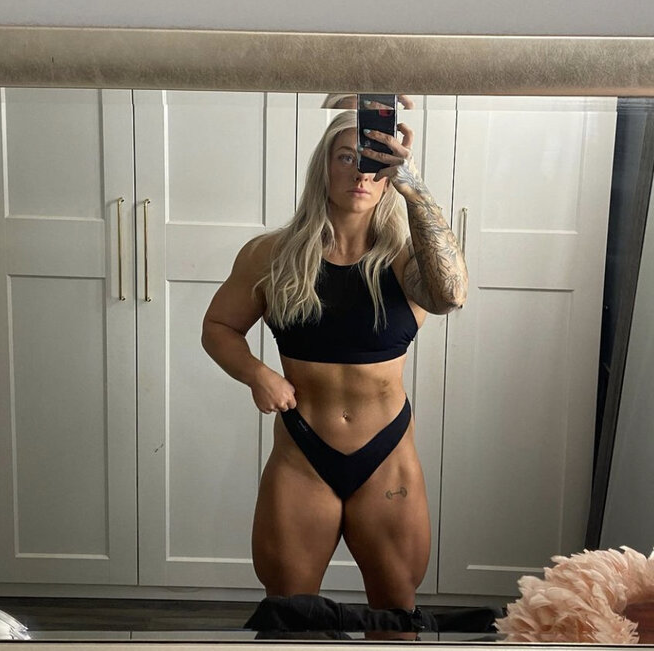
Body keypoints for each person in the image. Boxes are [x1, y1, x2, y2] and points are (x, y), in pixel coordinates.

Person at [201, 108, 468, 613]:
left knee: (395, 617)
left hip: (387, 457)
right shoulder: (270, 254)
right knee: (290, 616)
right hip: (303, 456)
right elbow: (218, 327)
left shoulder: (407, 259)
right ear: (323, 167)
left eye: (373, 161)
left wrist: (413, 187)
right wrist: (257, 374)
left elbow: (451, 294)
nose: (360, 174)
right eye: (346, 158)